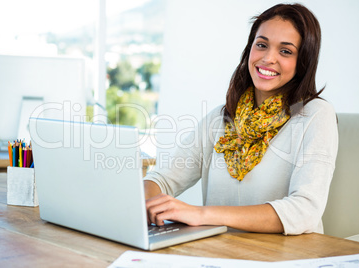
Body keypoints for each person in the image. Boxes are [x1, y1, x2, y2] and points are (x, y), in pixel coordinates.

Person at [144, 3, 338, 235]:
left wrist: (201, 214)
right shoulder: (220, 118)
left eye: (285, 51)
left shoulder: (315, 115)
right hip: (221, 254)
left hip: (286, 257)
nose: (268, 58)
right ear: (250, 50)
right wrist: (140, 201)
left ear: (303, 61)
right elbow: (163, 180)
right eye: (262, 45)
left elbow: (304, 211)